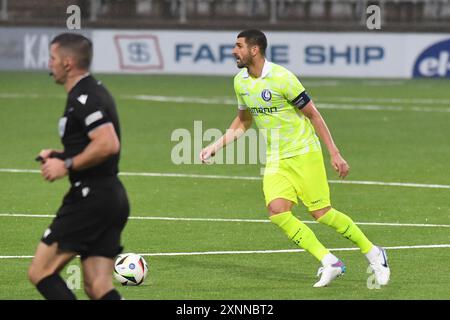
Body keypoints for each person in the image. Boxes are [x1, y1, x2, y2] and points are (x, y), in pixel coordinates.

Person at [200, 29, 390, 287]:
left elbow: (314, 115)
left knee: (321, 213)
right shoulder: (240, 81)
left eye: (239, 46)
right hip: (276, 159)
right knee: (277, 212)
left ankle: (374, 253)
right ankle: (329, 261)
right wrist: (216, 145)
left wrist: (334, 152)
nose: (234, 51)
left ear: (254, 50)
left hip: (304, 153)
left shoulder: (282, 78)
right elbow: (244, 121)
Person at [28, 33, 129, 299]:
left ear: (68, 63)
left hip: (90, 199)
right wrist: (61, 155)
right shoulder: (93, 91)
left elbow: (108, 144)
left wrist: (67, 164)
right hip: (110, 197)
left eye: (52, 58)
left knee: (40, 271)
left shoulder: (84, 96)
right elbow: (94, 145)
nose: (49, 64)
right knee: (97, 287)